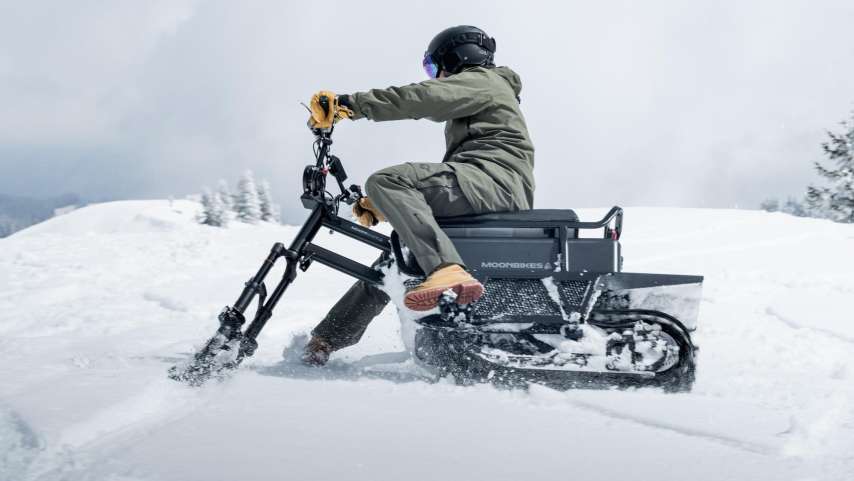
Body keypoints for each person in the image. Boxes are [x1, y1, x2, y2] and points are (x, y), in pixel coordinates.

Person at [302, 25, 535, 365]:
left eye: (433, 67)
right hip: (481, 185)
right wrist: (381, 206)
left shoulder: (484, 80)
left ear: (457, 57)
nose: (434, 76)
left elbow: (423, 98)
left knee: (387, 180)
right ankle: (325, 341)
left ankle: (445, 268)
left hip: (491, 182)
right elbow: (445, 180)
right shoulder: (486, 90)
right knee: (396, 259)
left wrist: (350, 105)